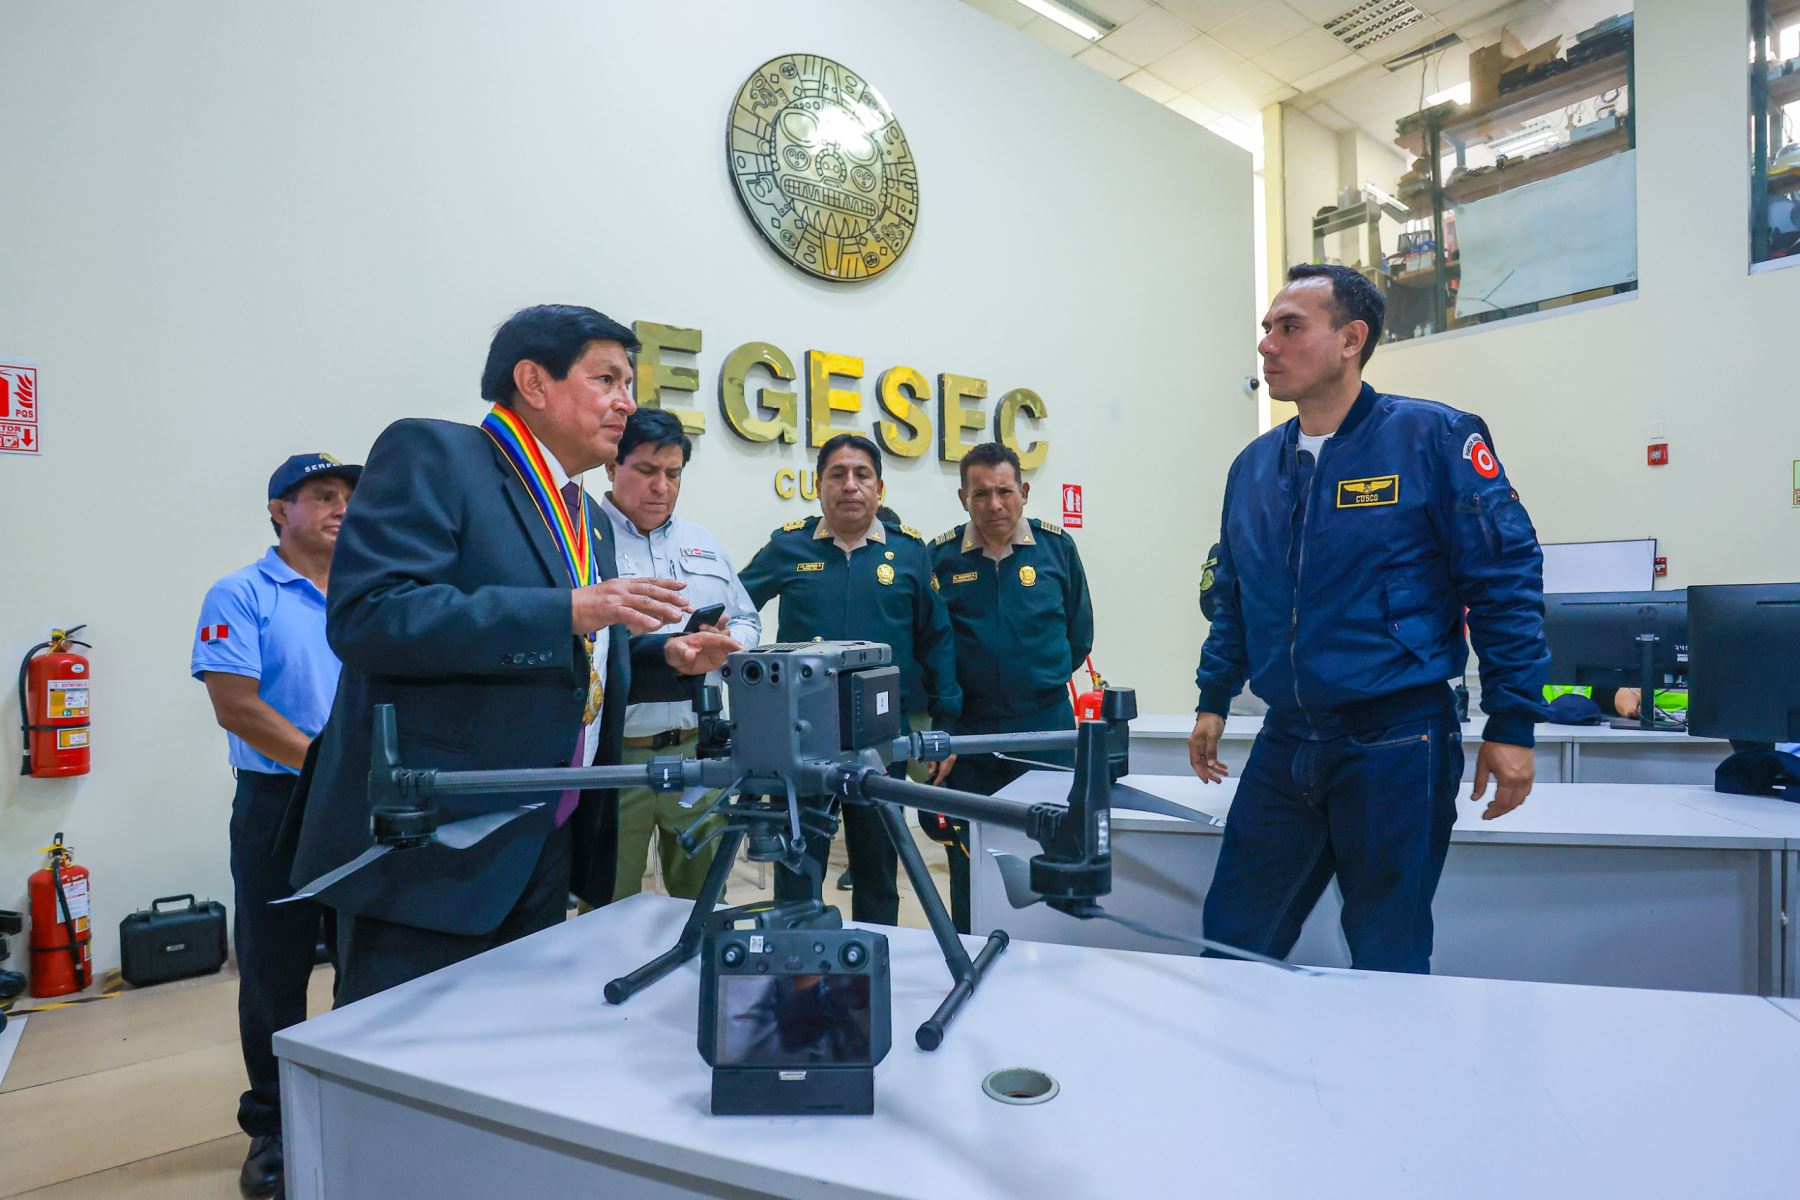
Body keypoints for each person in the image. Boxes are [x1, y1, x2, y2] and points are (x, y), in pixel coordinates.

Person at [288, 304, 739, 1006]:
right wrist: (570, 608)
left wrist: (665, 659)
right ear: (533, 380)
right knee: (413, 1071)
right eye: (608, 379)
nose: (628, 402)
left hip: (544, 837)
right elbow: (371, 616)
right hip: (438, 846)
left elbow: (579, 657)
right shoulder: (437, 456)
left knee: (508, 1052)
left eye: (631, 382)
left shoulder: (584, 513)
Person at [1189, 263, 1550, 974]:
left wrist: (1513, 722)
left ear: (1352, 338)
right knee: (1232, 938)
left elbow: (1505, 580)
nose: (1267, 344)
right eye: (1267, 329)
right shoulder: (1254, 467)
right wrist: (1212, 695)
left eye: (1289, 327)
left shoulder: (1435, 439)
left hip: (1397, 740)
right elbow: (1235, 591)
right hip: (1288, 737)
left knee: (1388, 947)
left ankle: (1392, 1085)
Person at [193, 452, 359, 1198]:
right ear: (277, 510)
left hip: (363, 802)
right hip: (278, 804)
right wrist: (326, 770)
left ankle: (360, 1100)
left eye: (349, 498)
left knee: (366, 957)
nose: (341, 509)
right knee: (274, 970)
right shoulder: (241, 593)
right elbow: (237, 705)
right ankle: (274, 1128)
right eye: (322, 496)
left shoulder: (370, 594)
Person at [739, 433, 961, 925]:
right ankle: (795, 959)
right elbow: (737, 608)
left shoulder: (908, 554)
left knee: (877, 862)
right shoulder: (788, 546)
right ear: (819, 486)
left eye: (862, 475)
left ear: (880, 488)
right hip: (801, 735)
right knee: (798, 860)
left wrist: (945, 723)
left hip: (881, 735)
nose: (850, 486)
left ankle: (876, 953)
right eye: (837, 475)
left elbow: (937, 640)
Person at [928, 442, 1093, 933]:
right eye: (980, 494)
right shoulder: (938, 558)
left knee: (1052, 845)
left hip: (1045, 730)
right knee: (970, 852)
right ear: (963, 498)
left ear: (1023, 492)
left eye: (1004, 491)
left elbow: (1079, 634)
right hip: (970, 735)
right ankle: (970, 949)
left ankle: (1055, 945)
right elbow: (930, 643)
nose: (993, 505)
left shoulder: (1056, 549)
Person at [601, 407, 760, 900]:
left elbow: (750, 619)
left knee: (704, 903)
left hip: (697, 755)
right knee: (607, 906)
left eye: (673, 474)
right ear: (612, 467)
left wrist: (730, 645)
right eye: (646, 471)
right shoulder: (584, 537)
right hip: (615, 760)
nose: (661, 487)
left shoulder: (703, 544)